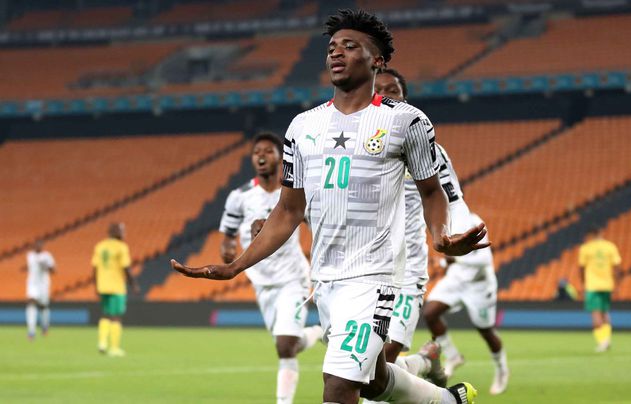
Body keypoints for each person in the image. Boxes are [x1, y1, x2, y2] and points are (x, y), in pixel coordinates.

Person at [171, 9, 487, 404]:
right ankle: (447, 401)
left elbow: (430, 191)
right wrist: (236, 265)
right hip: (325, 281)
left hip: (375, 277)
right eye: (332, 47)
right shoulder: (302, 127)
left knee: (338, 387)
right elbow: (288, 211)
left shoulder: (406, 122)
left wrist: (440, 237)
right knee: (372, 380)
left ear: (377, 60)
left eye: (350, 46)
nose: (336, 53)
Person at [219, 131, 323, 404]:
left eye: (268, 151)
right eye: (257, 152)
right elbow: (228, 236)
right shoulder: (239, 196)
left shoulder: (293, 193)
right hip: (261, 282)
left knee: (284, 345)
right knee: (290, 344)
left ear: (280, 157)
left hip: (293, 278)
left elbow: (317, 227)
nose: (261, 156)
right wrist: (228, 250)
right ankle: (318, 331)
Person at [371, 67, 446, 389]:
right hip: (363, 269)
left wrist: (445, 236)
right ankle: (425, 360)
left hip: (407, 270)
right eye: (378, 90)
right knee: (368, 368)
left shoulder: (426, 150)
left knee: (383, 358)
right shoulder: (352, 147)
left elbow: (445, 196)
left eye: (393, 90)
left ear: (405, 100)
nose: (385, 95)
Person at [424, 212, 509, 396]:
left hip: (479, 284)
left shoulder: (474, 222)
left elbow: (485, 259)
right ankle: (453, 357)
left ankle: (501, 369)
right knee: (430, 313)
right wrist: (447, 263)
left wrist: (455, 258)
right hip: (457, 279)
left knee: (485, 331)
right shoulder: (445, 219)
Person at [92, 222, 139, 357]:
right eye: (122, 230)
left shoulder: (100, 246)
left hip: (102, 285)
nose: (124, 233)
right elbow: (126, 268)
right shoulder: (121, 247)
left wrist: (96, 285)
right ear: (115, 232)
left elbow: (94, 268)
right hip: (116, 286)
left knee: (105, 314)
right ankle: (114, 348)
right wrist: (133, 284)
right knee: (116, 316)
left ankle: (102, 342)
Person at [577, 226, 621, 352]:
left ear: (590, 235)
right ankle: (607, 339)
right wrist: (617, 284)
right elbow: (617, 267)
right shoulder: (610, 247)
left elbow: (581, 268)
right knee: (605, 312)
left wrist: (583, 284)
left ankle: (602, 341)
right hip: (607, 284)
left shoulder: (586, 248)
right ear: (600, 233)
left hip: (592, 285)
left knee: (595, 313)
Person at [24, 240, 55, 340]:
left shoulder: (47, 256)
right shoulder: (30, 255)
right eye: (36, 245)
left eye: (39, 245)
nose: (37, 247)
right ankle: (31, 331)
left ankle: (45, 327)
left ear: (42, 246)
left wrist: (45, 265)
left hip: (43, 284)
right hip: (32, 284)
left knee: (43, 306)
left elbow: (53, 270)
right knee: (31, 303)